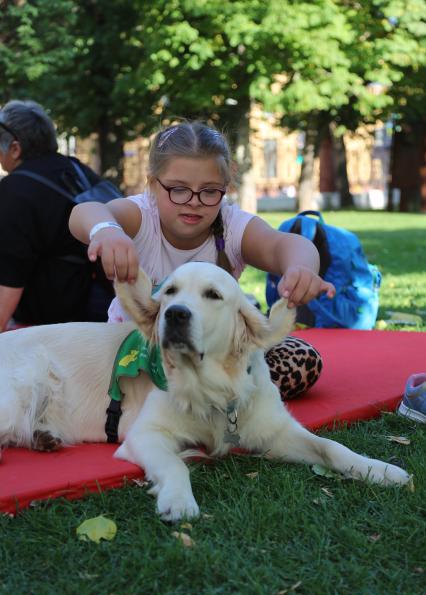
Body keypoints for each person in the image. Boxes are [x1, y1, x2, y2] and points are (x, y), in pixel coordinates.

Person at [69, 121, 335, 399]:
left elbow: (283, 244)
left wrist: (301, 268)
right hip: (139, 354)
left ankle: (201, 398)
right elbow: (85, 212)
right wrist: (106, 231)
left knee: (303, 359)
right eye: (178, 189)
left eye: (209, 191)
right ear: (152, 184)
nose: (193, 201)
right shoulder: (142, 215)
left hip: (213, 358)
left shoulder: (231, 225)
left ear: (226, 186)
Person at [0, 99, 114, 331]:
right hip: (105, 309)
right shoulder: (76, 169)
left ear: (15, 148)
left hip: (56, 329)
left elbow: (11, 272)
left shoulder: (15, 189)